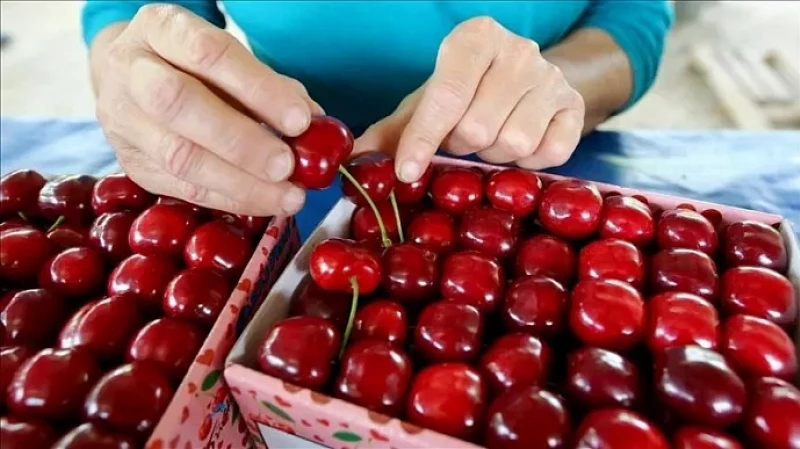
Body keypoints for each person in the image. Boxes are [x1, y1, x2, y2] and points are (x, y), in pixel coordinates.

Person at [82, 1, 673, 225]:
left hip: (527, 171)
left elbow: (634, 13)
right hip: (275, 167)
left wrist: (563, 84)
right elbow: (131, 7)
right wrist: (126, 69)